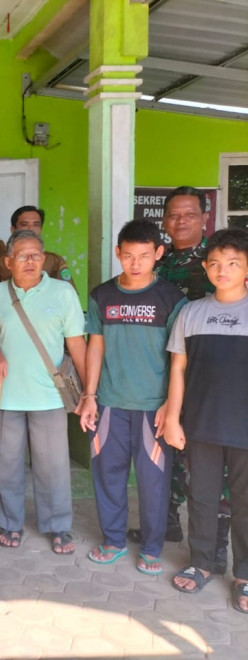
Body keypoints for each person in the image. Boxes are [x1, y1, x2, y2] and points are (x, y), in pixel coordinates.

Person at [78, 220, 186, 575]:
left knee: (154, 482)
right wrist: (90, 395)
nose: (135, 263)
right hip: (109, 403)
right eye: (128, 256)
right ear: (117, 253)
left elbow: (178, 358)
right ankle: (113, 541)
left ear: (158, 253)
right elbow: (95, 346)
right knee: (108, 476)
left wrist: (171, 405)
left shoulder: (172, 298)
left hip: (153, 408)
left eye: (144, 255)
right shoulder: (102, 295)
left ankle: (152, 548)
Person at [129, 187, 226, 554]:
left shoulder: (218, 260)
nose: (180, 221)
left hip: (207, 375)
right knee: (164, 453)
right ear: (164, 220)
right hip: (161, 371)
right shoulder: (158, 261)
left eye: (189, 214)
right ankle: (163, 524)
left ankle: (214, 546)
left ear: (204, 217)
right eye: (173, 215)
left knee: (211, 462)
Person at [0, 229, 86, 554]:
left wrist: (89, 393)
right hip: (6, 396)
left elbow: (76, 344)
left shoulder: (63, 293)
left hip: (49, 397)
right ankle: (10, 523)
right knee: (7, 465)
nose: (30, 261)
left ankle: (58, 526)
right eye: (22, 256)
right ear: (8, 262)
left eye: (36, 255)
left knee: (53, 467)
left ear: (44, 259)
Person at [164, 228, 248, 614]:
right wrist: (173, 418)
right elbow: (178, 369)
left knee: (245, 502)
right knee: (201, 497)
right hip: (201, 424)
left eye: (232, 263)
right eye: (215, 263)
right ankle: (201, 562)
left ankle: (244, 575)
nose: (222, 270)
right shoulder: (192, 312)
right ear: (206, 267)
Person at [0, 206, 74, 286]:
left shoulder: (54, 261)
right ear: (13, 229)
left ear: (41, 229)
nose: (30, 228)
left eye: (36, 224)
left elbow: (67, 292)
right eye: (24, 224)